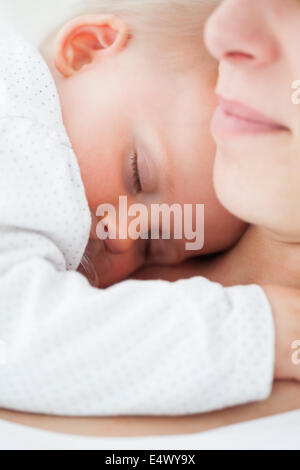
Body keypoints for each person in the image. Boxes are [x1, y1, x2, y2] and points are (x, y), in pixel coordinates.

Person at [0, 0, 297, 417]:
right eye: (137, 175)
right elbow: (18, 338)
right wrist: (259, 332)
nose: (120, 235)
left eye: (152, 243)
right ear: (85, 50)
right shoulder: (20, 123)